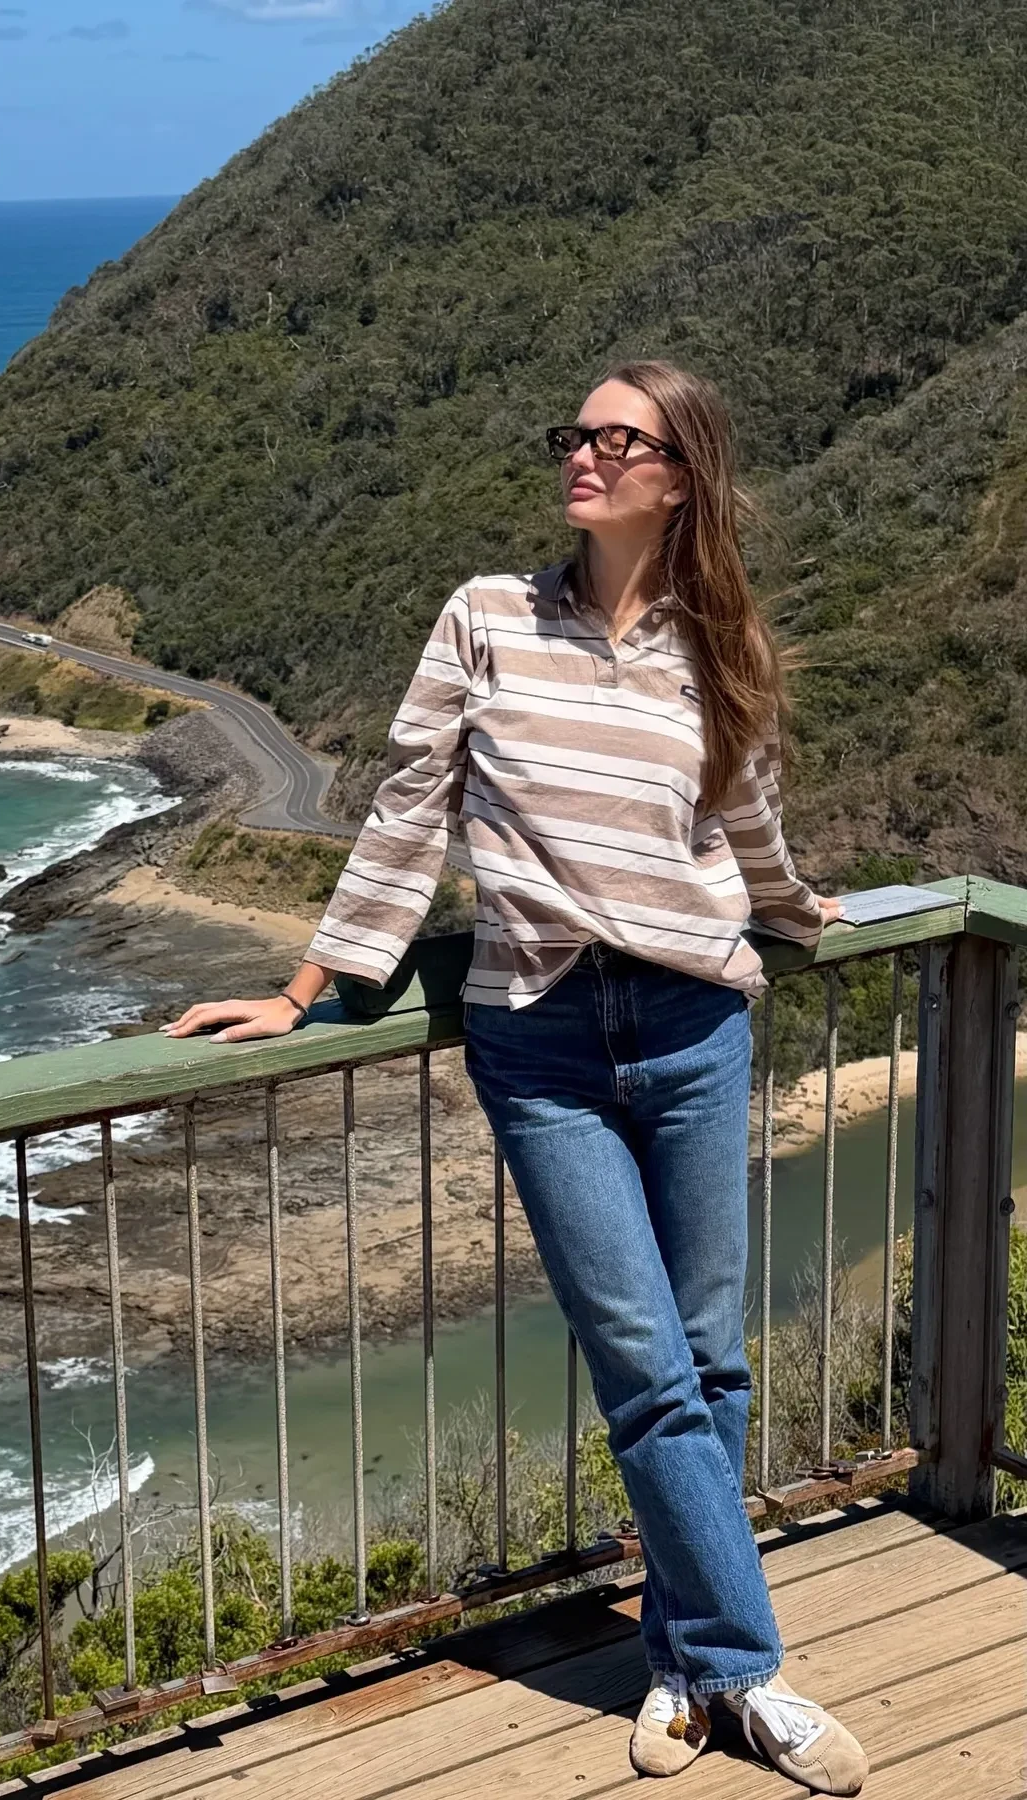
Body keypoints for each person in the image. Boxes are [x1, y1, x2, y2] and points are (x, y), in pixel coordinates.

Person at [162, 360, 866, 1796]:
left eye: (621, 439)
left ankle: (683, 1664)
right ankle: (751, 1673)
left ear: (682, 477)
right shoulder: (486, 617)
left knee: (709, 1361)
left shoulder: (718, 644)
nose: (584, 456)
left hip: (692, 1024)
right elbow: (405, 813)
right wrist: (306, 988)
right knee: (646, 1366)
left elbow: (746, 823)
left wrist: (800, 914)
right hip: (539, 1039)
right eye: (577, 435)